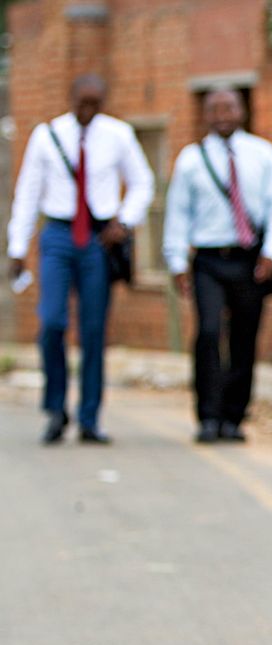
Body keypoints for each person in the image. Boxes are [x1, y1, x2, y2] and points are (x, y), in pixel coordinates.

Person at [6, 74, 154, 445]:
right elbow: (27, 192)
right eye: (82, 102)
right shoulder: (47, 135)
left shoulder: (118, 135)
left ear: (104, 100)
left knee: (92, 330)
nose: (88, 109)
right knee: (51, 321)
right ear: (70, 97)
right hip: (57, 234)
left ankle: (90, 417)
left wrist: (124, 220)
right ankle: (56, 408)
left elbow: (143, 182)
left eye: (95, 102)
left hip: (99, 240)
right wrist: (17, 247)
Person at [162, 89, 272, 444]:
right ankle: (208, 415)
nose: (222, 114)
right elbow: (177, 213)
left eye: (229, 107)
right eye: (214, 108)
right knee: (207, 333)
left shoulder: (263, 154)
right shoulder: (190, 159)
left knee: (244, 337)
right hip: (207, 261)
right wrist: (176, 262)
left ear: (241, 111)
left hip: (250, 260)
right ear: (205, 114)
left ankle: (234, 417)